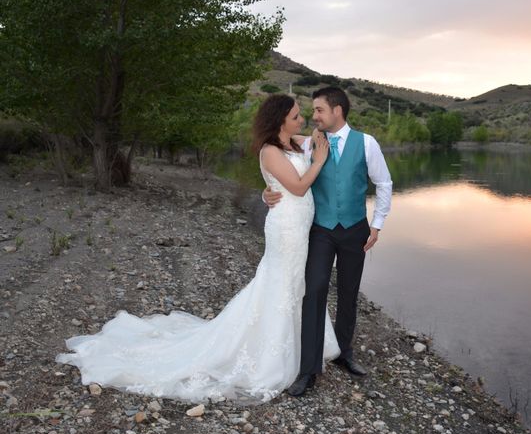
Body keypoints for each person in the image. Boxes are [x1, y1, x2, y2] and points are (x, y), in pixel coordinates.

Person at [56, 94, 341, 404]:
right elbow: (298, 187)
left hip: (301, 227)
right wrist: (319, 162)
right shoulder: (271, 150)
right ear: (281, 119)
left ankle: (303, 345)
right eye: (297, 116)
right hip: (285, 228)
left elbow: (315, 138)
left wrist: (315, 138)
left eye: (303, 115)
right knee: (280, 283)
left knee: (296, 283)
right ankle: (270, 354)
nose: (302, 120)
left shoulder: (293, 143)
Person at [263, 87, 392, 397]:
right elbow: (281, 174)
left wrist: (376, 225)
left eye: (319, 110)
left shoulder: (367, 143)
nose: (313, 116)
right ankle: (308, 370)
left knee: (349, 291)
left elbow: (384, 184)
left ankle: (345, 353)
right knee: (315, 289)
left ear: (337, 111)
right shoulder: (307, 145)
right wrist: (266, 194)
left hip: (355, 229)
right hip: (319, 229)